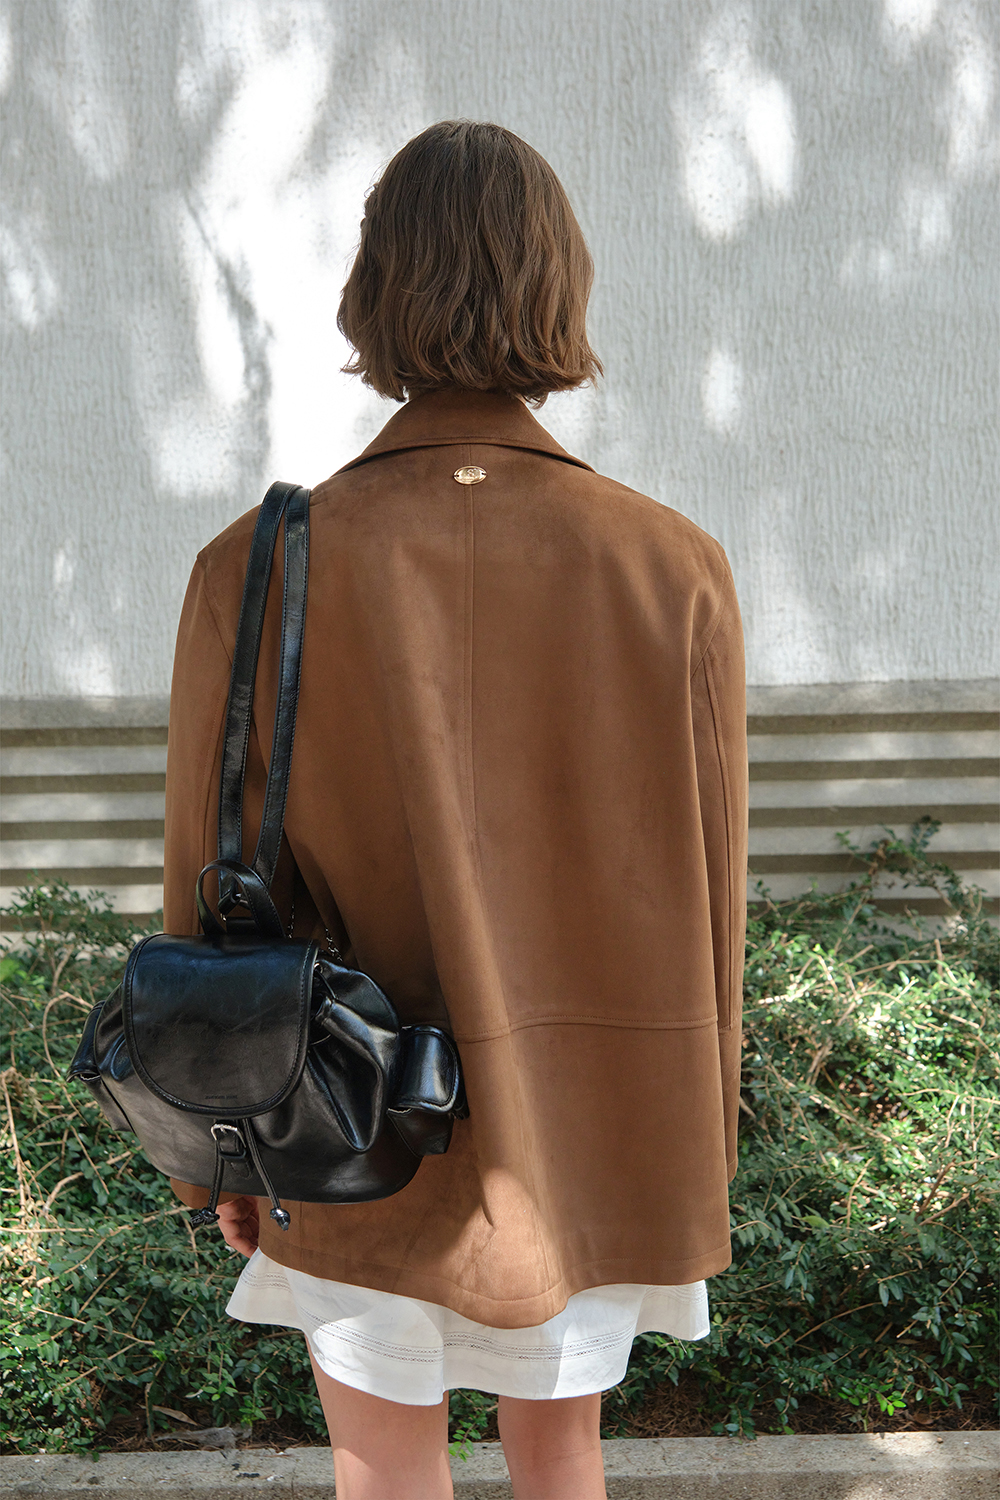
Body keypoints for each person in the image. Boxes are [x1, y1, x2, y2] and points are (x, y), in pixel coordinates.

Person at [163, 119, 748, 1500]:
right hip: (592, 1124)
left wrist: (219, 1154)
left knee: (381, 1465)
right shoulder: (673, 568)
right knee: (563, 1456)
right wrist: (694, 1137)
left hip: (342, 1107)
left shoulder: (258, 567)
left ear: (374, 290)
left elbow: (208, 875)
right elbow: (712, 887)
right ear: (562, 284)